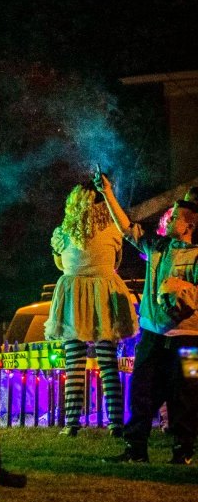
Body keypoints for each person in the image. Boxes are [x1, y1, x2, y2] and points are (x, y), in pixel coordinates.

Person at [98, 175, 198, 465]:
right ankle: (135, 449)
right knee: (140, 391)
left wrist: (183, 292)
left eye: (175, 217)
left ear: (189, 225)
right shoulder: (157, 248)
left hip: (190, 339)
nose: (167, 219)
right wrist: (107, 193)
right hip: (152, 336)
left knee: (188, 392)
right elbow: (126, 228)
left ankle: (183, 450)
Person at [43, 182, 138, 436]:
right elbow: (115, 262)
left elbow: (61, 265)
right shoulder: (113, 230)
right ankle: (116, 423)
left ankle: (72, 423)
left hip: (74, 296)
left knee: (74, 362)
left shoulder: (63, 232)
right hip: (105, 294)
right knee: (108, 363)